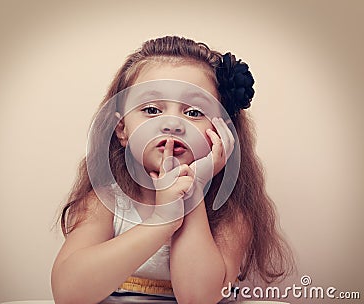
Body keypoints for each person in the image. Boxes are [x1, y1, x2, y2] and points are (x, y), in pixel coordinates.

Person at [51, 36, 294, 304]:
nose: (173, 125)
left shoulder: (229, 212)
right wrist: (162, 220)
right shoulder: (106, 203)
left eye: (193, 112)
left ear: (223, 132)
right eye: (152, 109)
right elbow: (68, 293)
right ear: (122, 130)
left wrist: (193, 193)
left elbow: (197, 298)